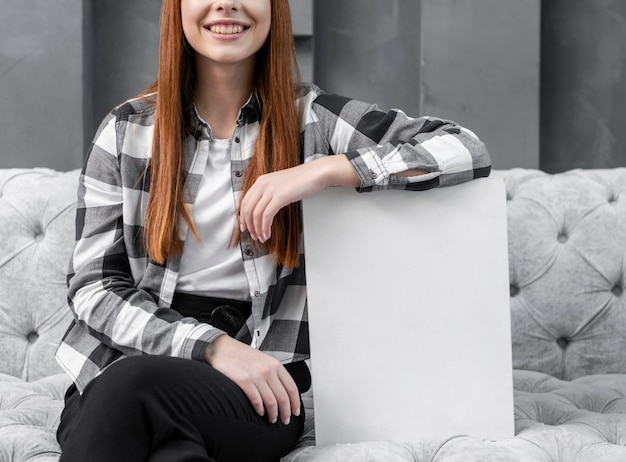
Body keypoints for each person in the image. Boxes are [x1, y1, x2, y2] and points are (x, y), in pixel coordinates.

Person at [54, 0, 491, 460]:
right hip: (128, 362)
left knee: (131, 387)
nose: (226, 3)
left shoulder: (314, 120)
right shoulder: (127, 130)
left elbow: (466, 148)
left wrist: (326, 170)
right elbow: (94, 288)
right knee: (170, 448)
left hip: (258, 388)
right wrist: (210, 347)